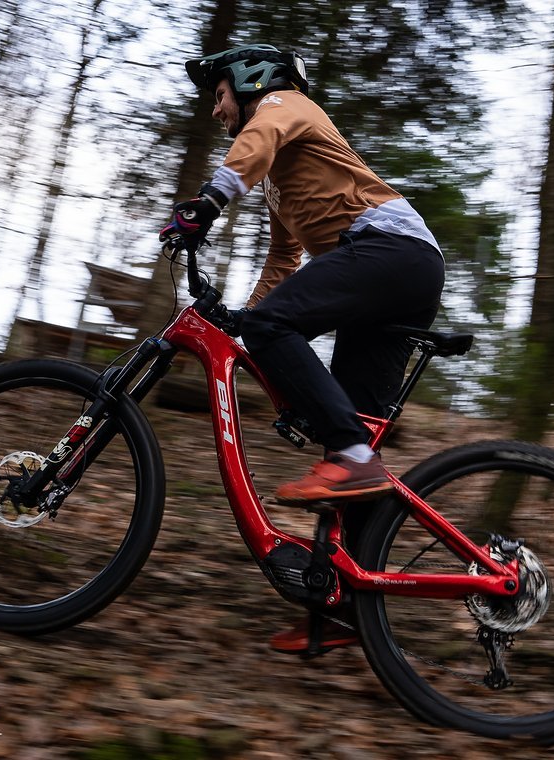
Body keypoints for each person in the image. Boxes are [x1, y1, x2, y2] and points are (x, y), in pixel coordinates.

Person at [160, 44, 445, 652]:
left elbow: (256, 139)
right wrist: (246, 324)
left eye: (219, 97)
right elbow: (284, 260)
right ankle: (352, 607)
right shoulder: (285, 184)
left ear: (249, 80)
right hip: (392, 270)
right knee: (349, 438)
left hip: (390, 251)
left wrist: (207, 204)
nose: (216, 112)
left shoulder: (286, 107)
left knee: (340, 442)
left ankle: (352, 458)